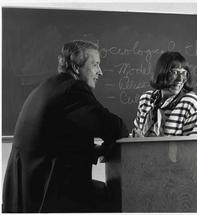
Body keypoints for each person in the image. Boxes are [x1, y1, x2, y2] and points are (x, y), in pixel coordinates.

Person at [2, 40, 129, 212]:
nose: (100, 72)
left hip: (25, 193)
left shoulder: (49, 86)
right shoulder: (73, 90)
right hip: (49, 196)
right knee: (116, 201)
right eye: (95, 65)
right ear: (76, 67)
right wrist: (108, 148)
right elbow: (114, 127)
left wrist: (96, 151)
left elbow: (58, 139)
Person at [132, 51, 197, 137]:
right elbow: (137, 138)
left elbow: (196, 146)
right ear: (162, 73)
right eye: (174, 72)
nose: (180, 79)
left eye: (183, 73)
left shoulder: (191, 103)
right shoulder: (146, 99)